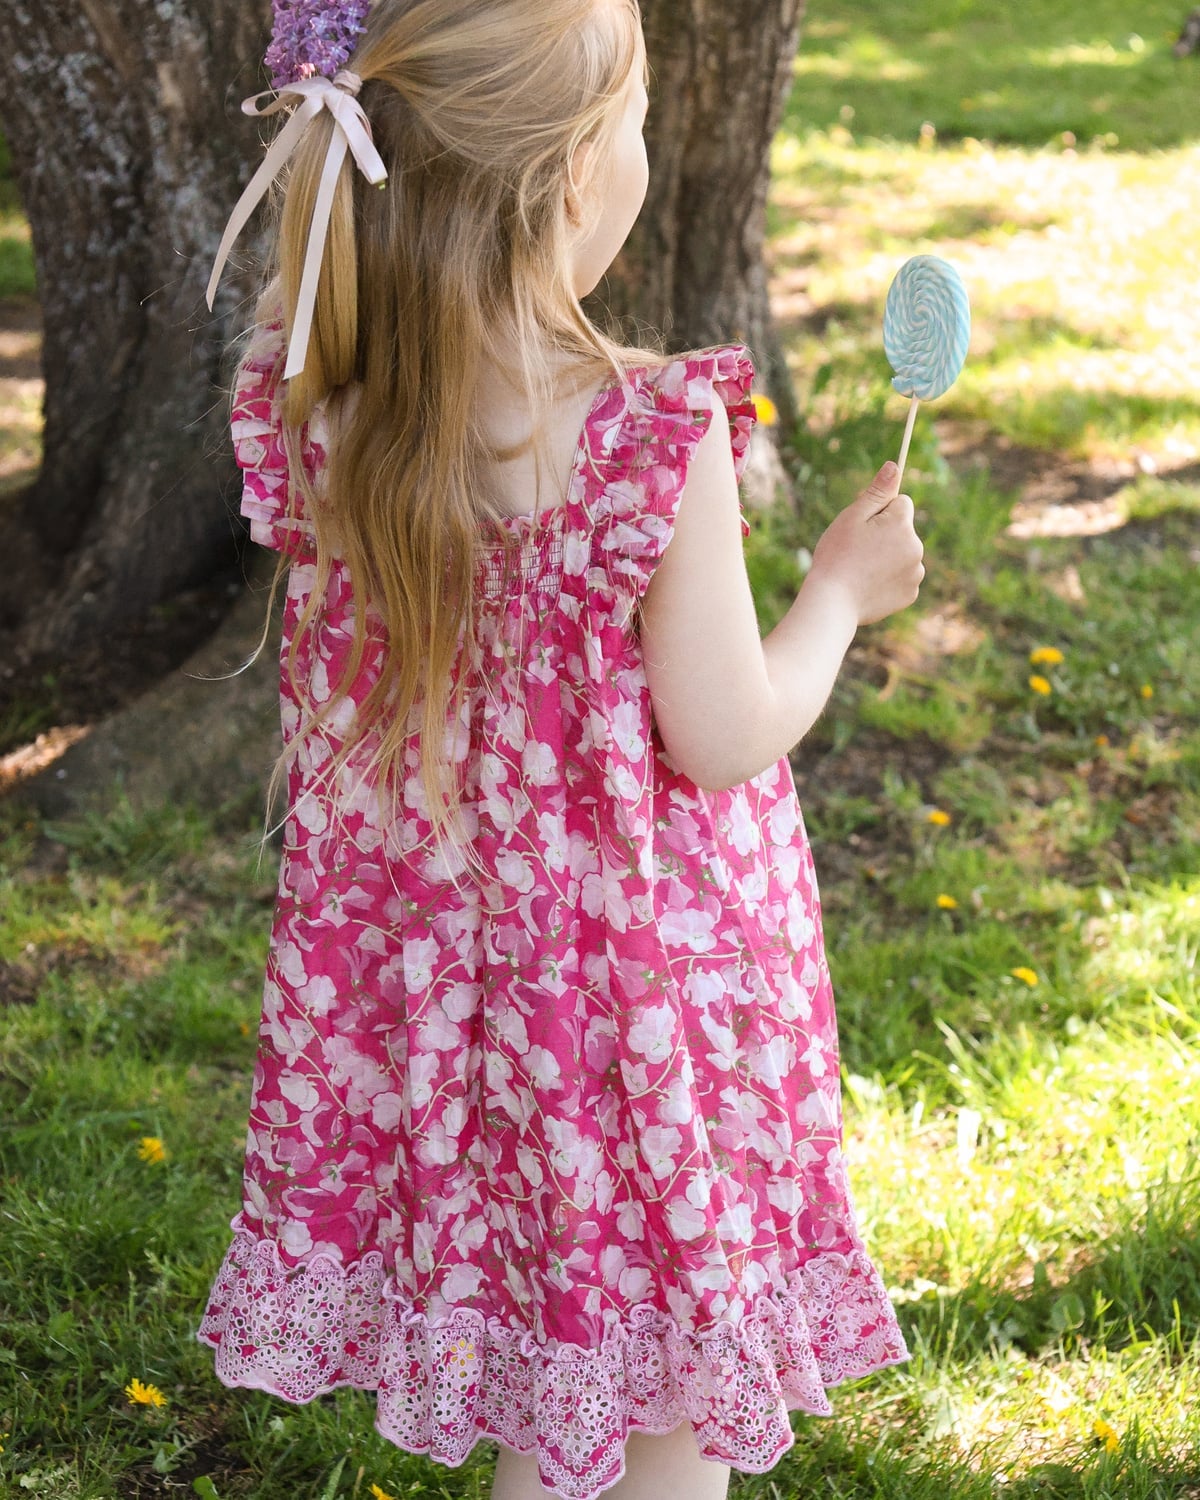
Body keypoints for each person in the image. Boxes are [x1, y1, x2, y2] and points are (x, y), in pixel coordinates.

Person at [196, 1, 921, 1497]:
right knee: (663, 1407)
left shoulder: (325, 409)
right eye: (636, 124)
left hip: (457, 1002)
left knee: (561, 1370)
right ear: (574, 178)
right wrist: (839, 599)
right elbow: (725, 736)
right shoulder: (648, 429)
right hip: (644, 1004)